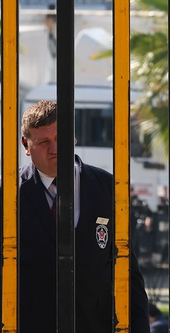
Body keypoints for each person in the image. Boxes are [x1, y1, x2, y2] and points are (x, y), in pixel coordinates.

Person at [14, 100, 151, 333]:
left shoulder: (108, 186)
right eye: (44, 142)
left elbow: (127, 270)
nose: (54, 148)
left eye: (59, 138)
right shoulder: (9, 192)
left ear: (74, 138)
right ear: (26, 145)